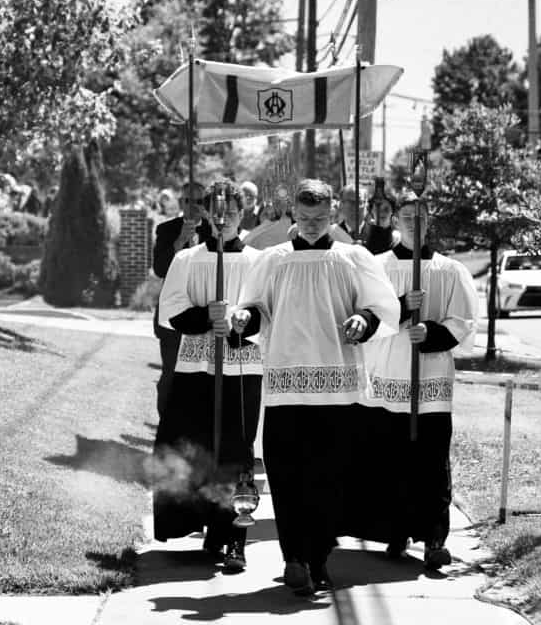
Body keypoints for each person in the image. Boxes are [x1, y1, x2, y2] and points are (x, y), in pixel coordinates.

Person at [231, 179, 399, 596]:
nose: (310, 225)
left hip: (336, 387)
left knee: (330, 478)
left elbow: (382, 308)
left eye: (319, 218)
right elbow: (255, 309)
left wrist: (363, 320)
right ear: (293, 214)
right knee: (287, 476)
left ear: (333, 214)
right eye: (304, 218)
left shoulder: (353, 258)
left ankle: (319, 557)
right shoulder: (272, 260)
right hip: (286, 385)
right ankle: (294, 558)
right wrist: (244, 319)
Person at [355, 190, 478, 569]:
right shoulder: (377, 267)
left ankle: (435, 539)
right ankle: (396, 532)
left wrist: (432, 333)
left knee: (432, 462)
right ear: (396, 220)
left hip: (430, 380)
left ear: (430, 221)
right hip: (389, 374)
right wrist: (401, 308)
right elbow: (364, 317)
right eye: (407, 216)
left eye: (421, 216)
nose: (414, 223)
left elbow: (463, 321)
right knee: (390, 460)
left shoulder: (449, 270)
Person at [152, 180, 263, 573]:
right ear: (206, 214)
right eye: (215, 212)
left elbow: (267, 311)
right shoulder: (187, 259)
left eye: (229, 212)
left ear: (241, 213)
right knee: (192, 445)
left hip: (240, 368)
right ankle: (201, 524)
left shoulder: (259, 261)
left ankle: (234, 539)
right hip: (196, 368)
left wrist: (238, 322)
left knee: (235, 452)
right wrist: (204, 317)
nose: (222, 219)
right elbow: (170, 310)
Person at [152, 182, 214, 420]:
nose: (194, 206)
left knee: (201, 376)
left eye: (199, 201)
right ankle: (166, 425)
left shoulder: (215, 231)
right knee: (171, 373)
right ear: (180, 202)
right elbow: (160, 269)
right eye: (188, 201)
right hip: (174, 314)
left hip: (203, 311)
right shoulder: (166, 230)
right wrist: (179, 242)